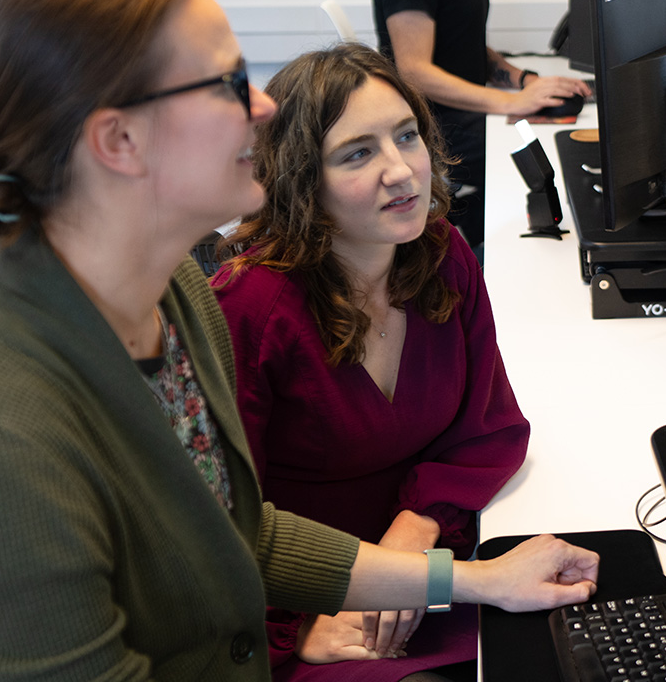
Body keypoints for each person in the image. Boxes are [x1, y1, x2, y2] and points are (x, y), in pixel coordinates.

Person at [0, 0, 599, 682]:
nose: (266, 106)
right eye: (225, 83)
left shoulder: (173, 290)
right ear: (119, 141)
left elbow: (234, 528)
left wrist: (470, 580)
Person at [212, 43, 530, 682]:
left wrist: (417, 526)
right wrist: (294, 623)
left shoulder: (440, 253)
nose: (403, 171)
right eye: (358, 153)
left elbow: (487, 427)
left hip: (432, 564)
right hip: (313, 613)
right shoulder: (249, 307)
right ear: (303, 180)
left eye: (407, 136)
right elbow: (213, 520)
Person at [371, 0, 591, 255]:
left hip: (462, 117)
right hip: (438, 127)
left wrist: (524, 80)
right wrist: (510, 103)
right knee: (545, 158)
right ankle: (484, 260)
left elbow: (464, 40)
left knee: (556, 141)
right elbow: (413, 72)